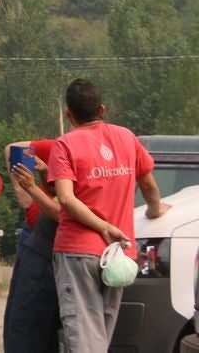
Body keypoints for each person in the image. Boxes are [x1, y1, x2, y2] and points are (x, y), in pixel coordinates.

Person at [47, 79, 170, 352]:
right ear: (102, 109)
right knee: (100, 332)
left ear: (69, 113)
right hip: (119, 255)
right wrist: (156, 210)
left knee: (82, 333)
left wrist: (102, 226)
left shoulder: (65, 144)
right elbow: (148, 184)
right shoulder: (127, 137)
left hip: (78, 251)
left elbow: (66, 198)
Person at [1, 138, 61, 353]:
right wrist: (22, 192)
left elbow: (61, 212)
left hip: (58, 242)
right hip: (36, 235)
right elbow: (13, 149)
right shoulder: (59, 146)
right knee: (24, 322)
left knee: (37, 326)